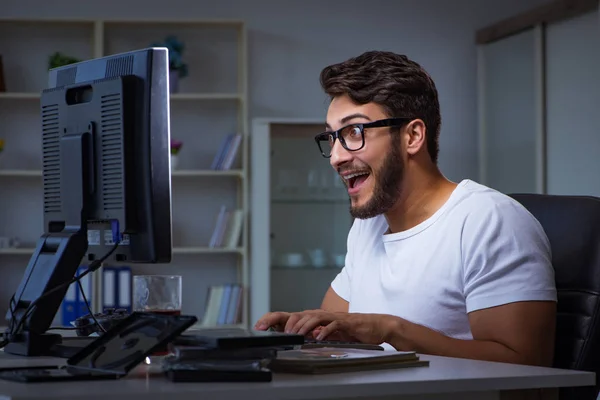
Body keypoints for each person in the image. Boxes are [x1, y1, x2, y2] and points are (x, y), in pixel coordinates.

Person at [254, 50, 557, 367]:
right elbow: (332, 331)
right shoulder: (368, 226)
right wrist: (296, 332)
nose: (335, 157)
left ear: (412, 136)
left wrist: (391, 330)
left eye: (353, 133)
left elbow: (527, 371)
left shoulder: (489, 221)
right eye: (332, 137)